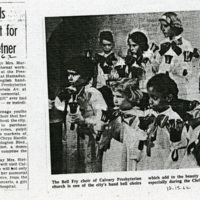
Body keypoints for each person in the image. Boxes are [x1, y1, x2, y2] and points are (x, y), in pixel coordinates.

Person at [55, 56, 107, 173]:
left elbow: (101, 117)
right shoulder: (67, 91)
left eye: (74, 74)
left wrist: (84, 120)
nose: (70, 77)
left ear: (85, 75)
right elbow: (60, 107)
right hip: (71, 134)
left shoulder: (93, 93)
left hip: (87, 135)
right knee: (71, 163)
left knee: (87, 163)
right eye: (68, 74)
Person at [137, 73, 188, 170]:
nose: (150, 101)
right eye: (149, 97)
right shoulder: (147, 114)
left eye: (154, 98)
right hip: (147, 162)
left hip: (164, 163)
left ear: (168, 98)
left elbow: (179, 149)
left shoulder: (174, 119)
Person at [100, 78, 144, 172]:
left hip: (127, 151)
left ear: (130, 96)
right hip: (112, 150)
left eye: (119, 97)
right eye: (113, 96)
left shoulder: (138, 116)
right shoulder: (113, 113)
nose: (115, 100)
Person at [155, 12, 194, 100]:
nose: (162, 29)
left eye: (165, 26)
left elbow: (187, 71)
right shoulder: (163, 44)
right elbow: (156, 68)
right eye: (161, 26)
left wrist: (174, 68)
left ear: (174, 26)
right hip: (162, 85)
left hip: (178, 85)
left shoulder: (186, 45)